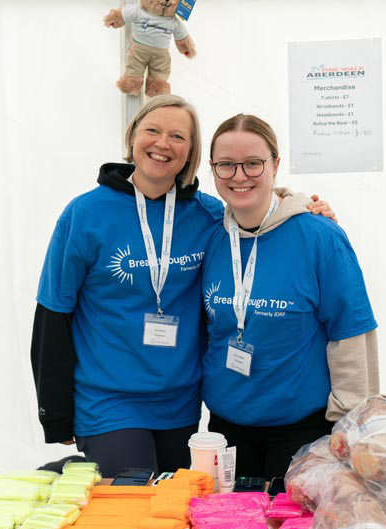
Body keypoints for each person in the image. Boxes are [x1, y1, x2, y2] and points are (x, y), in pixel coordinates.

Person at [31, 96, 333, 477]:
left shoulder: (207, 215)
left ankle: (73, 473)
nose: (163, 143)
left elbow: (261, 214)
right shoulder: (85, 214)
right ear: (132, 136)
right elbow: (53, 312)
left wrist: (305, 207)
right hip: (109, 399)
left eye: (178, 136)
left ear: (190, 152)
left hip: (181, 402)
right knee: (132, 500)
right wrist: (56, 412)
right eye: (152, 130)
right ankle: (70, 471)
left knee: (175, 505)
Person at [201, 114, 380, 479]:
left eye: (253, 163)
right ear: (212, 168)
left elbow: (350, 333)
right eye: (226, 165)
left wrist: (350, 428)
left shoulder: (319, 237)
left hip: (300, 433)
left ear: (276, 164)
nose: (239, 175)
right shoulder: (211, 236)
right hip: (225, 431)